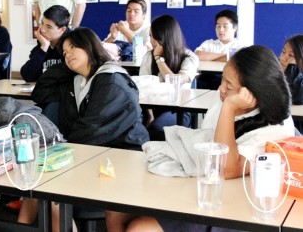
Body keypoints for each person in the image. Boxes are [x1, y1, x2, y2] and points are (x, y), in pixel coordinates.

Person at [108, 45, 295, 232]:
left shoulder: (275, 129)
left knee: (140, 229)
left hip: (230, 207)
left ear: (253, 94)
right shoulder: (224, 96)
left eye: (229, 86)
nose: (221, 89)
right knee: (114, 210)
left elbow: (225, 169)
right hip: (199, 185)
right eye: (222, 79)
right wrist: (228, 100)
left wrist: (229, 108)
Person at [18, 27, 150, 231]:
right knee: (40, 186)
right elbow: (41, 92)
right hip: (93, 152)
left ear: (90, 47)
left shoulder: (112, 81)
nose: (68, 54)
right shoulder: (78, 80)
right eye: (64, 52)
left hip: (122, 156)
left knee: (52, 190)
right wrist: (67, 65)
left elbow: (91, 130)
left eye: (73, 48)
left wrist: (59, 153)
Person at [139, 14, 199, 140]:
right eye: (150, 36)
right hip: (150, 108)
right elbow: (143, 86)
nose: (151, 41)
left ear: (165, 36)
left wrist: (159, 59)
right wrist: (150, 115)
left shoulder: (189, 57)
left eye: (154, 36)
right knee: (129, 127)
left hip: (179, 110)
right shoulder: (148, 57)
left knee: (156, 130)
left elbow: (175, 82)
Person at [195, 9, 244, 89]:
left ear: (235, 28)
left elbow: (237, 60)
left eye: (225, 26)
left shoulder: (241, 46)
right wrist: (225, 55)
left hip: (230, 84)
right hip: (206, 82)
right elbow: (198, 55)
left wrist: (209, 57)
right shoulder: (209, 43)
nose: (221, 30)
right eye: (218, 26)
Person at [20, 5, 70, 82]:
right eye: (42, 23)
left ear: (62, 29)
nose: (42, 29)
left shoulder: (72, 46)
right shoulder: (42, 44)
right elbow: (27, 76)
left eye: (49, 27)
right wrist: (43, 48)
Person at [279, 34, 303, 105]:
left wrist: (292, 68)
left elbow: (298, 99)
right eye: (283, 52)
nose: (283, 58)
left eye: (291, 55)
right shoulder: (271, 72)